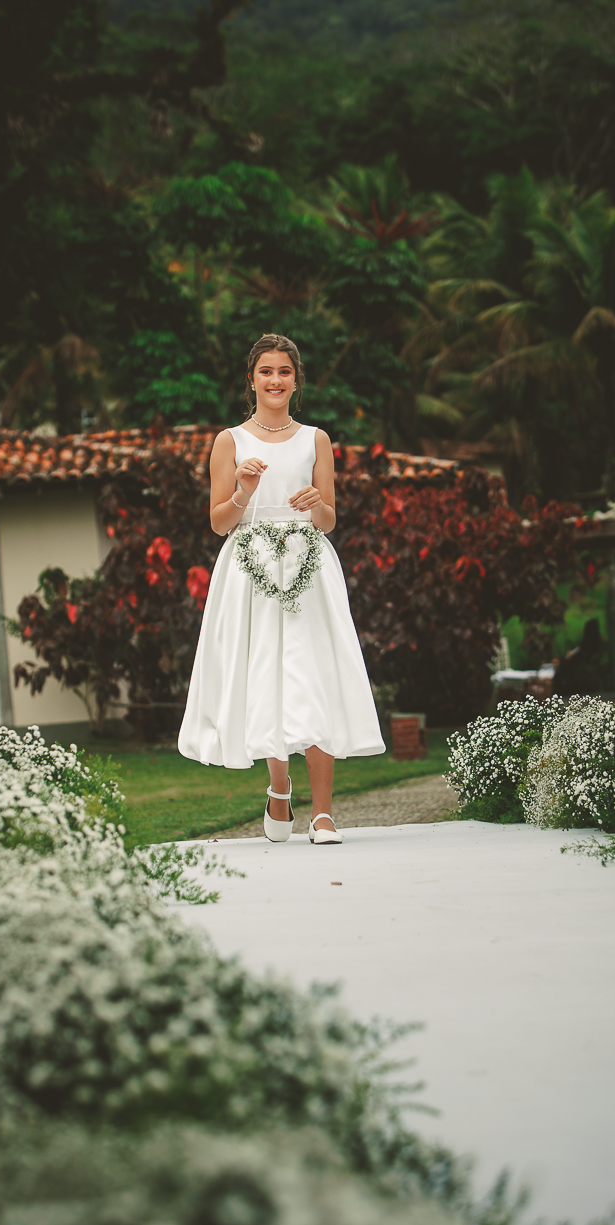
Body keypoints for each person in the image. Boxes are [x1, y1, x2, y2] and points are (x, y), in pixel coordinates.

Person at [178, 333, 385, 845]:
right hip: (250, 570)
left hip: (308, 568)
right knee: (265, 677)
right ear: (252, 378)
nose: (275, 380)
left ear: (297, 380)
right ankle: (278, 788)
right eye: (266, 371)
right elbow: (219, 523)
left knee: (313, 678)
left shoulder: (316, 439)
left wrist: (316, 503)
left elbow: (329, 519)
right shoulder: (229, 441)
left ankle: (323, 815)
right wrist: (245, 491)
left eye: (284, 372)